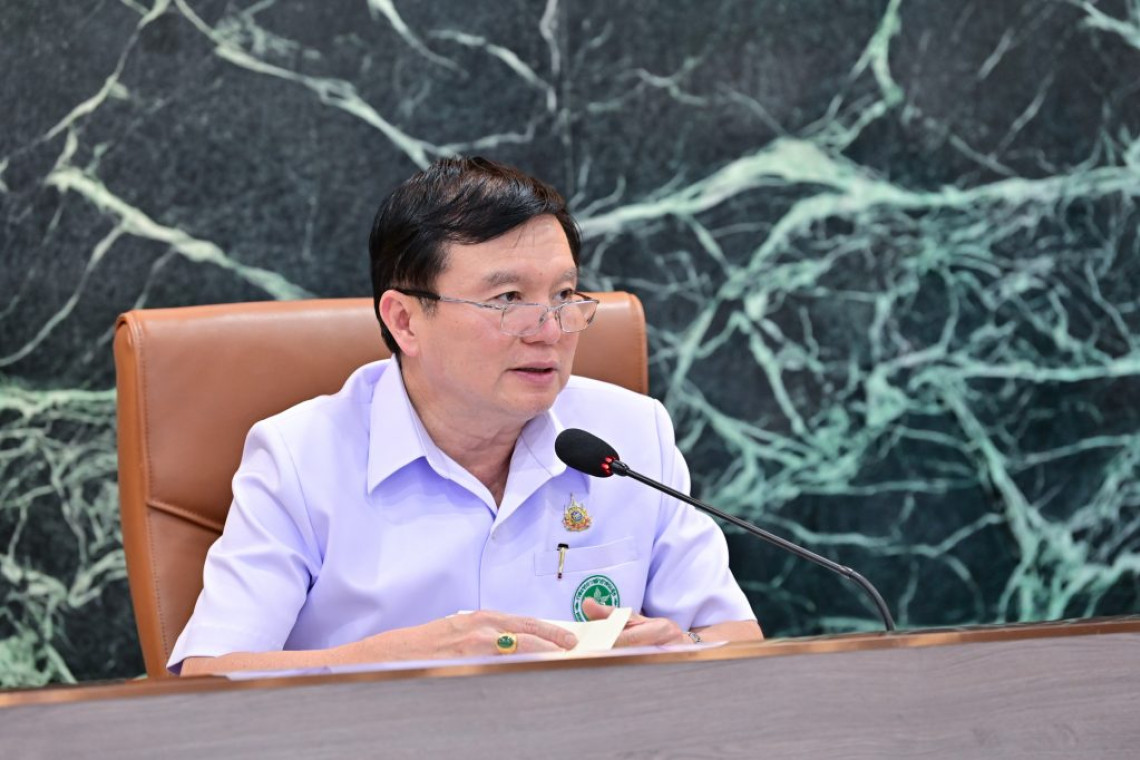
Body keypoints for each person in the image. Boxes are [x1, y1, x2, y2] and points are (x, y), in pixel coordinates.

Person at [172, 157, 761, 675]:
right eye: (508, 299)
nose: (549, 331)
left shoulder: (630, 434)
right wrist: (394, 661)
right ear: (405, 321)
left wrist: (681, 648)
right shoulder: (300, 457)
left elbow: (734, 637)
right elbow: (210, 677)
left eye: (564, 295)